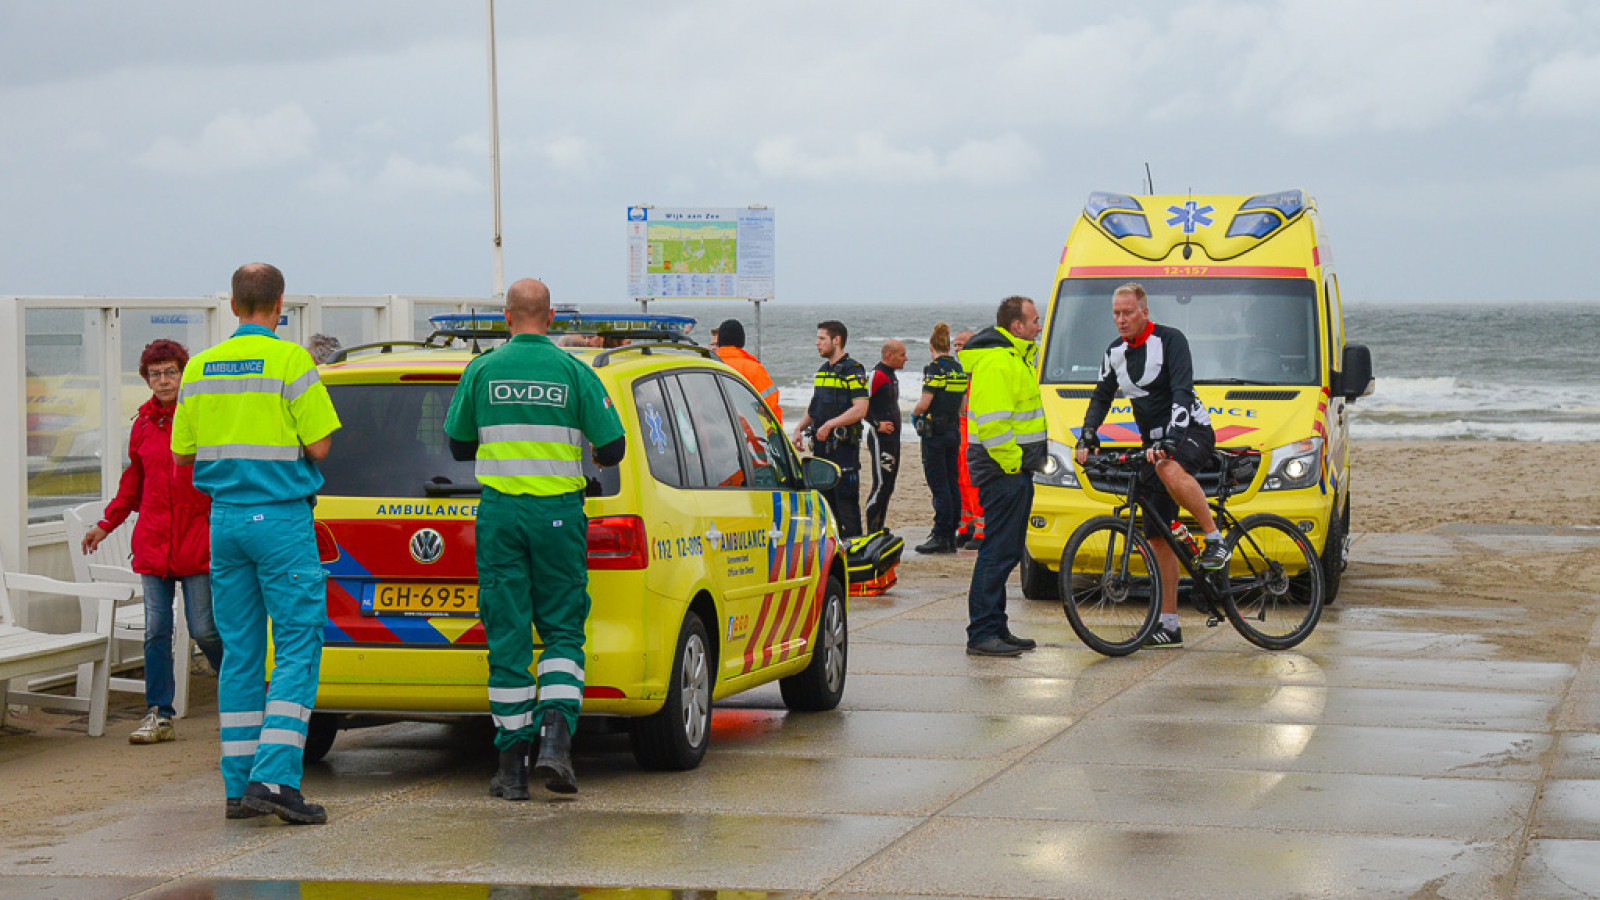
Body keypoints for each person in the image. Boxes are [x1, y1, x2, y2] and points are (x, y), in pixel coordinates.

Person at [171, 263, 342, 824]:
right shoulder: (292, 360)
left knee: (240, 653)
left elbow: (181, 455)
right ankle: (275, 779)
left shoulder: (199, 366)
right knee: (296, 647)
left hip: (225, 523)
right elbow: (319, 446)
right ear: (280, 303)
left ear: (232, 304)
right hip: (282, 523)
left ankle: (238, 787)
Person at [444, 278, 626, 799]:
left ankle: (511, 768)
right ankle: (556, 741)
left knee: (508, 635)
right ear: (550, 320)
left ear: (507, 317)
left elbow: (458, 445)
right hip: (558, 516)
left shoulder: (482, 369)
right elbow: (611, 447)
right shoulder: (574, 370)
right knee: (563, 631)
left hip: (501, 515)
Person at [82, 339, 224, 744]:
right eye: (155, 374)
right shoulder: (143, 424)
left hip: (197, 543)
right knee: (156, 630)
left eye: (170, 372)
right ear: (146, 379)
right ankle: (159, 714)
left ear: (184, 373)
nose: (163, 380)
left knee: (205, 630)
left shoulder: (203, 418)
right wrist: (106, 524)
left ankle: (243, 696)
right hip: (154, 543)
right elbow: (133, 484)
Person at [1074, 283, 1228, 649]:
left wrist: (1171, 439)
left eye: (1127, 312)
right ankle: (1169, 624)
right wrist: (1088, 435)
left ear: (1143, 311)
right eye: (1116, 313)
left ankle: (1214, 539)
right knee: (1159, 535)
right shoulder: (1115, 352)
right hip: (1154, 444)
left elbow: (1182, 391)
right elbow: (1101, 395)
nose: (1121, 319)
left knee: (1166, 468)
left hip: (1192, 431)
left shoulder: (1171, 340)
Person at [959, 297, 1046, 658]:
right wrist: (1012, 464)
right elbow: (994, 427)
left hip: (1013, 469)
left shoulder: (1012, 357)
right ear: (1017, 326)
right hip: (1002, 470)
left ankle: (996, 626)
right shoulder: (998, 361)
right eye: (1035, 320)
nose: (1039, 326)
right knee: (996, 552)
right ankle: (981, 632)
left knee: (1006, 552)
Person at [791, 320, 868, 539]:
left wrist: (831, 424)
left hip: (843, 450)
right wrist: (798, 428)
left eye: (822, 339)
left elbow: (861, 409)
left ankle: (854, 554)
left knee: (846, 507)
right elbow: (815, 407)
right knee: (824, 507)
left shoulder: (854, 370)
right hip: (821, 450)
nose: (817, 343)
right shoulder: (822, 372)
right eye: (817, 339)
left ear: (837, 340)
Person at [912, 323, 966, 554]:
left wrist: (914, 415)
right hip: (953, 430)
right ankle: (952, 532)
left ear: (931, 346)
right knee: (952, 482)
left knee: (939, 484)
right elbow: (963, 406)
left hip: (935, 433)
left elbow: (925, 402)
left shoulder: (934, 369)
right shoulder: (958, 369)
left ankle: (941, 534)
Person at [863, 339, 905, 534]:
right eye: (902, 355)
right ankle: (871, 529)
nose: (906, 359)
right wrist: (876, 424)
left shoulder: (891, 376)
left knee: (889, 484)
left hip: (893, 439)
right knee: (880, 484)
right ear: (890, 355)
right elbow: (860, 404)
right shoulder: (877, 375)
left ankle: (879, 527)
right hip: (880, 439)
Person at [951, 329, 984, 550]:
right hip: (961, 435)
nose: (957, 349)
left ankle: (981, 529)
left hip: (975, 437)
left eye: (961, 345)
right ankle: (966, 525)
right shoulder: (958, 373)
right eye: (955, 345)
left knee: (974, 483)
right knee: (961, 482)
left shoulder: (981, 373)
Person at [714, 318, 781, 423]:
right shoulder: (754, 369)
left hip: (710, 433)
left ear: (719, 341)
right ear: (742, 340)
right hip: (747, 436)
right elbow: (770, 410)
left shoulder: (706, 366)